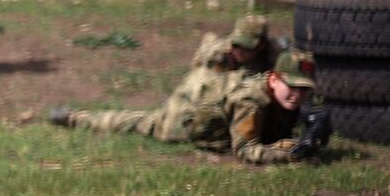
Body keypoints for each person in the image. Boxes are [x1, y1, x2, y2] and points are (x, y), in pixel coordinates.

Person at [49, 48, 328, 164]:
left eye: (304, 90)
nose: (297, 95)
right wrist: (290, 154)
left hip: (208, 105)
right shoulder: (251, 101)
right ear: (274, 79)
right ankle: (74, 117)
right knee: (132, 122)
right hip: (181, 124)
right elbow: (245, 150)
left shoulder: (279, 95)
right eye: (292, 87)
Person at [189, 13, 278, 76]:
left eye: (246, 46)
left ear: (261, 46)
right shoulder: (219, 52)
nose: (239, 51)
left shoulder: (275, 53)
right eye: (236, 45)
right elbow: (196, 72)